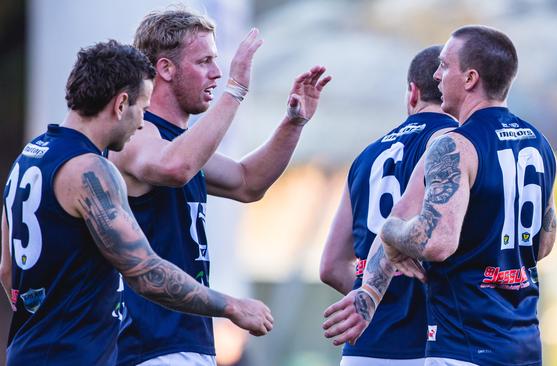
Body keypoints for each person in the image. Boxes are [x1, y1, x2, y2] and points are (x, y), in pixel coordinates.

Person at [0, 40, 273, 366]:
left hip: (26, 351)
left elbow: (7, 270)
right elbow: (145, 272)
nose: (142, 122)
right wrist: (232, 306)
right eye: (142, 108)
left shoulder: (30, 156)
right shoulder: (92, 170)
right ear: (120, 104)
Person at [108, 9, 331, 366]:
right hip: (148, 344)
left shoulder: (179, 141)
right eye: (205, 61)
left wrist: (293, 121)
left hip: (186, 339)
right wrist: (236, 90)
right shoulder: (136, 132)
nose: (216, 72)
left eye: (218, 61)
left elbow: (247, 182)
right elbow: (175, 167)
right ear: (165, 69)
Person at [324, 25, 557, 366]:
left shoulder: (455, 145)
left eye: (445, 66)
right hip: (523, 345)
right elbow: (543, 243)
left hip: (462, 346)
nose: (437, 74)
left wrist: (391, 236)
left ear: (470, 78)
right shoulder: (540, 143)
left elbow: (437, 242)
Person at [320, 45, 456, 366]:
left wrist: (376, 298)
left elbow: (330, 266)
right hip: (432, 347)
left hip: (365, 347)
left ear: (412, 93)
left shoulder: (366, 157)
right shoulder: (458, 147)